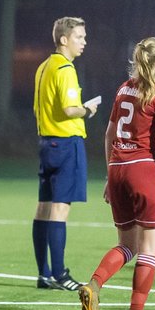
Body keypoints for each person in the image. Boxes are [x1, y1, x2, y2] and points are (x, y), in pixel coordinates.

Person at [79, 38, 155, 310]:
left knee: (127, 245)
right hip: (144, 172)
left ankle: (94, 285)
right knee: (149, 249)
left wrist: (107, 176)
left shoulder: (123, 89)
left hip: (117, 171)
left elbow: (108, 134)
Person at [33, 16, 100, 291]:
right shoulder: (65, 68)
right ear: (64, 39)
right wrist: (89, 110)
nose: (84, 42)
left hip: (47, 143)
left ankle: (44, 274)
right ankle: (60, 274)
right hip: (66, 143)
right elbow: (70, 109)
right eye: (79, 37)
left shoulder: (43, 67)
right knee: (60, 210)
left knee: (43, 208)